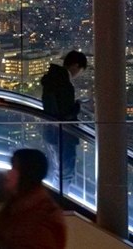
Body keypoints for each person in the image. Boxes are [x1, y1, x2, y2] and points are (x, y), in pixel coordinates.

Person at [0, 148, 66, 249]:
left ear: (27, 172)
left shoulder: (43, 215)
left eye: (14, 167)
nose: (8, 173)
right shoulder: (16, 206)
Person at [40, 50, 87, 189]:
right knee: (65, 173)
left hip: (51, 132)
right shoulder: (64, 83)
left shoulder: (52, 79)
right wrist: (78, 105)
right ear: (76, 66)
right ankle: (60, 203)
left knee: (58, 171)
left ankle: (57, 201)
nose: (78, 75)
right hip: (63, 135)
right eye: (80, 71)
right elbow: (66, 113)